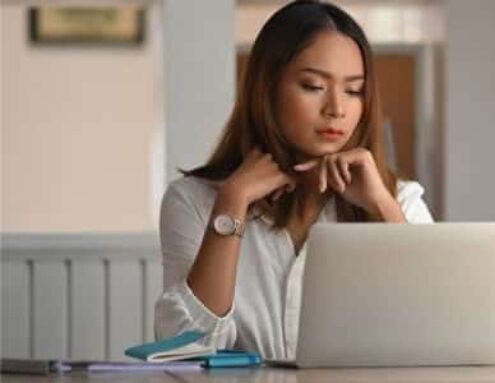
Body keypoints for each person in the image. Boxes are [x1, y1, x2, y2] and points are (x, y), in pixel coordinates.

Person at [155, 0, 434, 361]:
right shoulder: (194, 200)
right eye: (314, 85)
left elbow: (433, 327)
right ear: (267, 88)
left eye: (353, 90)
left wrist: (381, 206)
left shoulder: (401, 200)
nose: (337, 108)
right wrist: (233, 202)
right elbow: (184, 348)